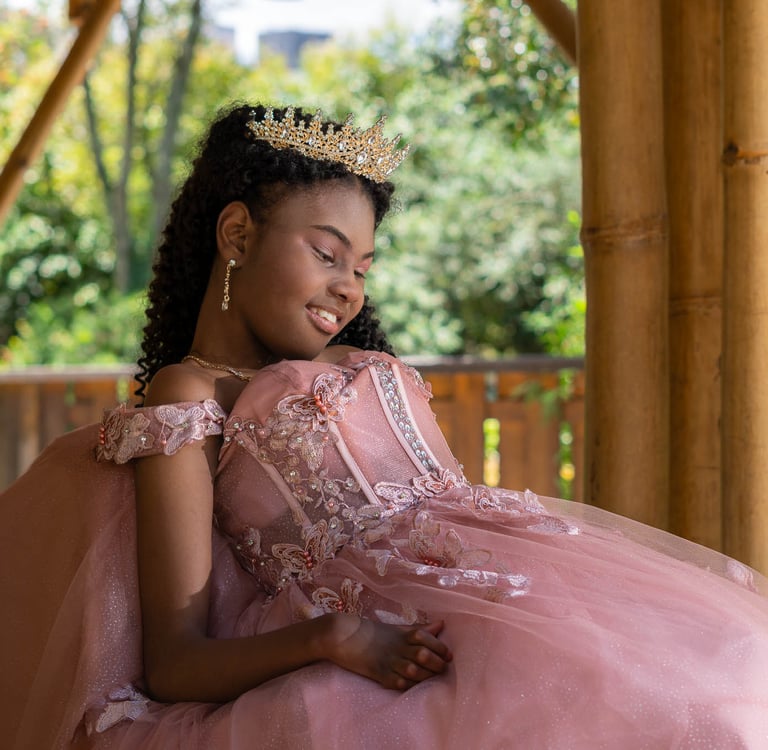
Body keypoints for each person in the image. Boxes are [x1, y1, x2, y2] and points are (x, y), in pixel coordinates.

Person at [3, 102, 768, 750]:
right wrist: (331, 638)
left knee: (716, 683)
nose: (348, 288)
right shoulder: (189, 395)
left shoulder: (358, 360)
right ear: (236, 235)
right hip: (382, 656)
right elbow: (174, 661)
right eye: (327, 253)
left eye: (363, 267)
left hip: (532, 592)